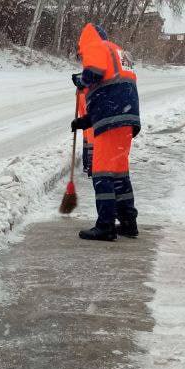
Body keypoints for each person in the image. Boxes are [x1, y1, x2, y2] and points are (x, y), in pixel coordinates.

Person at [71, 23, 141, 241]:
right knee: (119, 172)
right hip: (126, 119)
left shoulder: (96, 47)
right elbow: (112, 90)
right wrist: (85, 121)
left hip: (112, 119)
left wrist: (80, 81)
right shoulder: (118, 52)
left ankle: (106, 226)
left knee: (102, 172)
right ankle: (128, 222)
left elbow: (94, 73)